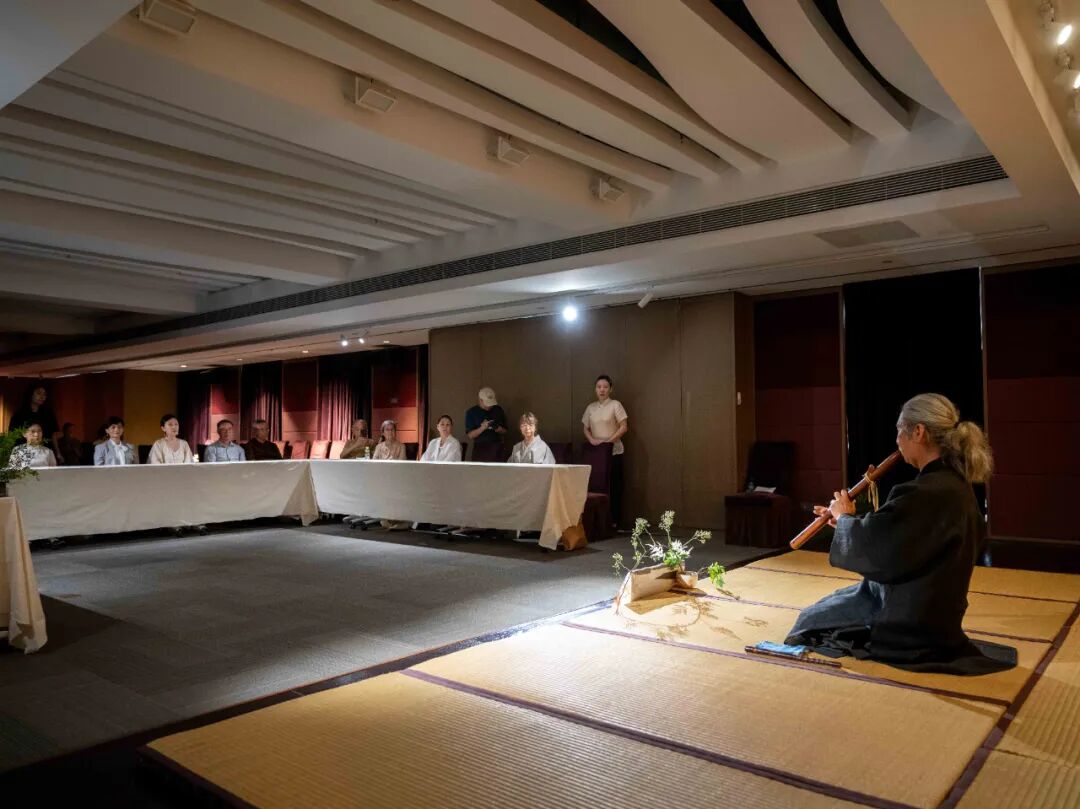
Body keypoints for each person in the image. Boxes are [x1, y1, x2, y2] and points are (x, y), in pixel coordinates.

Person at [785, 393, 1015, 674]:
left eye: (899, 431)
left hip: (907, 620)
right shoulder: (953, 486)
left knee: (808, 622)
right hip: (938, 610)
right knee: (831, 602)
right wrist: (848, 521)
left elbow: (883, 550)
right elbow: (902, 536)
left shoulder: (923, 493)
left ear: (918, 432)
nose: (897, 440)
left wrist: (844, 518)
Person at [582, 375, 628, 527]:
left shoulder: (615, 405)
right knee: (597, 486)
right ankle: (598, 522)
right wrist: (592, 440)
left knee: (614, 486)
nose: (602, 390)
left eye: (605, 387)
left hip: (614, 451)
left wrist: (609, 441)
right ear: (595, 389)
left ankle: (614, 521)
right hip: (597, 453)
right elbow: (585, 428)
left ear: (610, 389)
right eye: (599, 387)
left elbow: (624, 426)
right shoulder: (591, 407)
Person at [8, 384, 61, 461]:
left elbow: (53, 435)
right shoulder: (19, 414)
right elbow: (12, 436)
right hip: (24, 451)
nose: (42, 397)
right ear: (31, 394)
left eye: (44, 394)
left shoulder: (48, 414)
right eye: (39, 393)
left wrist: (58, 452)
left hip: (45, 450)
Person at [373, 420, 409, 530]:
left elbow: (401, 465)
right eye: (387, 430)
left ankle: (396, 520)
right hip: (381, 478)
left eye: (392, 429)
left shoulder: (401, 446)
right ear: (383, 432)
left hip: (396, 478)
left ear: (395, 432)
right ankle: (384, 517)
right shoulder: (379, 447)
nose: (390, 432)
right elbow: (373, 463)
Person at [465, 387, 507, 457]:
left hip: (497, 447)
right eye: (487, 403)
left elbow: (505, 431)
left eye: (491, 403)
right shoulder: (472, 412)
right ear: (480, 400)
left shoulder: (498, 410)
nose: (489, 406)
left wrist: (499, 429)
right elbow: (470, 435)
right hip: (480, 448)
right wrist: (482, 428)